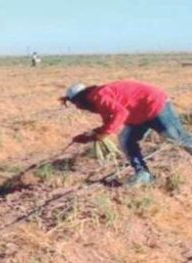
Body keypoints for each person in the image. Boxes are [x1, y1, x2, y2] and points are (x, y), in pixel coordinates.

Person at [61, 80, 192, 186]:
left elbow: (121, 113)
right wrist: (92, 135)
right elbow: (109, 120)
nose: (78, 107)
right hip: (138, 115)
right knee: (126, 141)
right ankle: (143, 174)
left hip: (154, 105)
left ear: (80, 99)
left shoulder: (98, 96)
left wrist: (106, 133)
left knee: (177, 138)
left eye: (76, 104)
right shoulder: (97, 99)